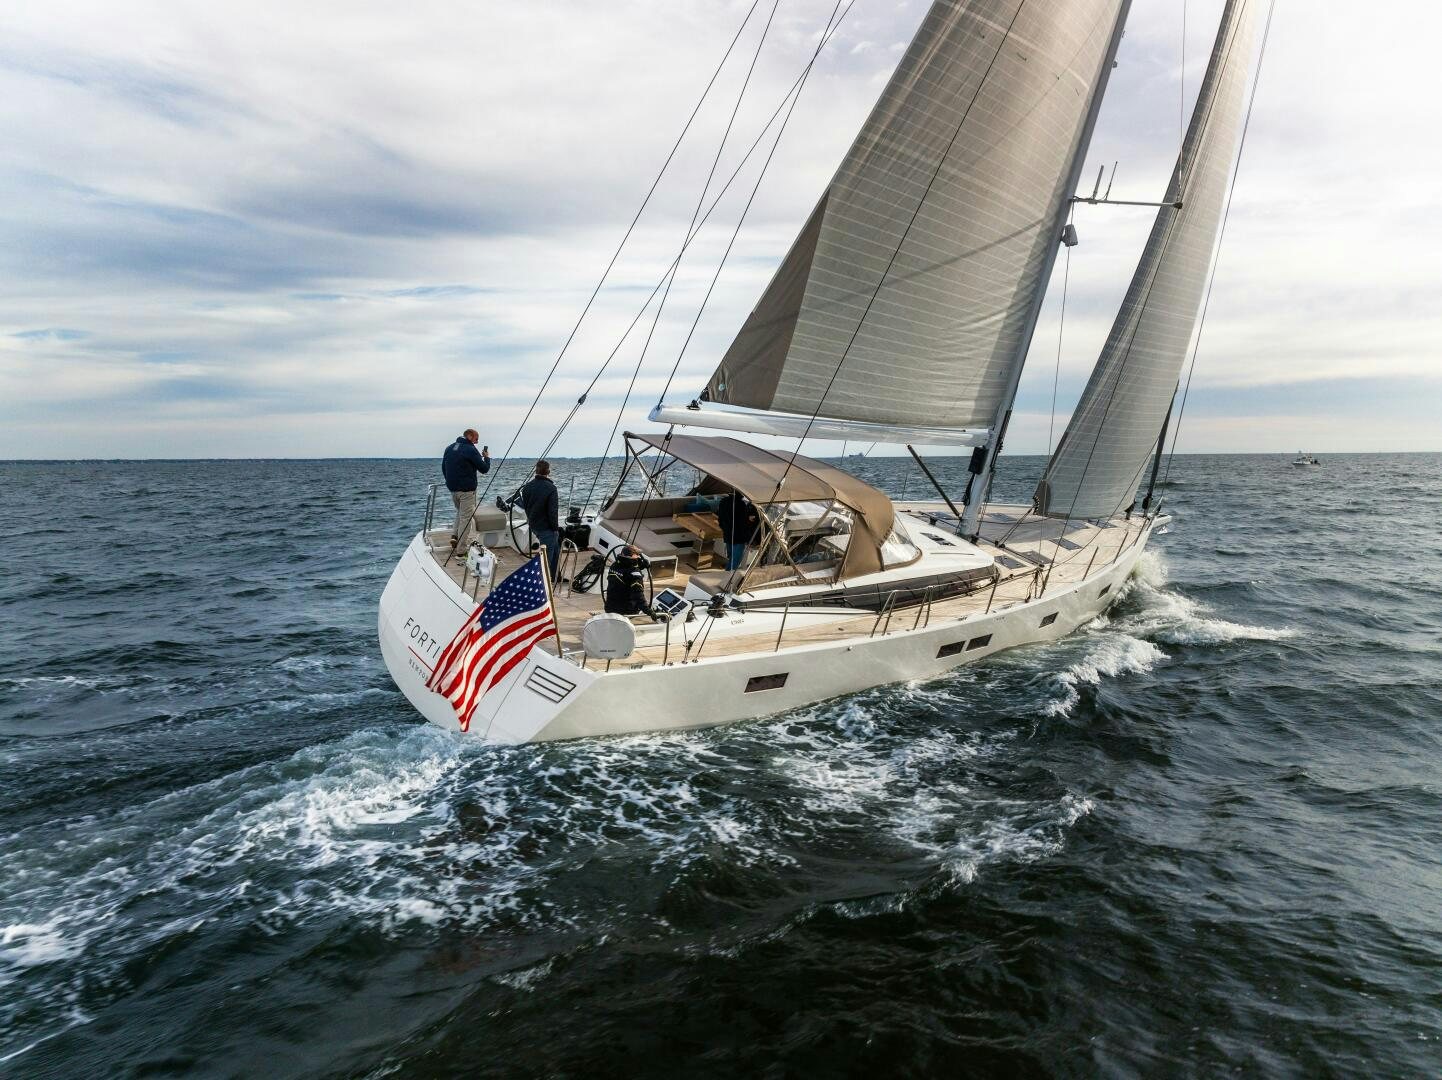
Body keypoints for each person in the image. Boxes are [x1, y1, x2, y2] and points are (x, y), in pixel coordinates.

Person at [442, 429, 490, 551]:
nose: (477, 442)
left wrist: (450, 482)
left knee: (460, 512)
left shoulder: (449, 448)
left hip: (453, 489)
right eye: (476, 438)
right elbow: (484, 469)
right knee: (466, 519)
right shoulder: (470, 449)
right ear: (469, 436)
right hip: (467, 491)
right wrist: (486, 458)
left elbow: (444, 467)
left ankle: (455, 536)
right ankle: (461, 550)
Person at [519, 459, 561, 578]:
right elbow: (553, 512)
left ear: (536, 471)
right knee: (547, 557)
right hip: (546, 528)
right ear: (548, 471)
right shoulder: (551, 488)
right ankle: (542, 581)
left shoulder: (527, 487)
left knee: (556, 549)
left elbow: (526, 507)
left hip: (534, 526)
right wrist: (555, 529)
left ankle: (555, 576)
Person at [717, 488, 761, 571]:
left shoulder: (723, 501)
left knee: (730, 557)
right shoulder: (741, 504)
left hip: (727, 535)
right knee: (735, 561)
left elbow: (720, 519)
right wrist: (749, 519)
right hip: (739, 537)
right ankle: (727, 578)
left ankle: (726, 575)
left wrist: (724, 529)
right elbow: (742, 521)